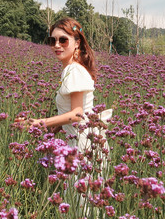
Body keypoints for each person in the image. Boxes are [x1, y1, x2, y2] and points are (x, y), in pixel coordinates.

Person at [18, 17, 111, 156]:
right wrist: (54, 129)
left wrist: (39, 122)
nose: (56, 45)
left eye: (63, 40)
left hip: (83, 145)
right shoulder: (71, 69)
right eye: (52, 40)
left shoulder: (73, 70)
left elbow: (77, 114)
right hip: (82, 142)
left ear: (77, 43)